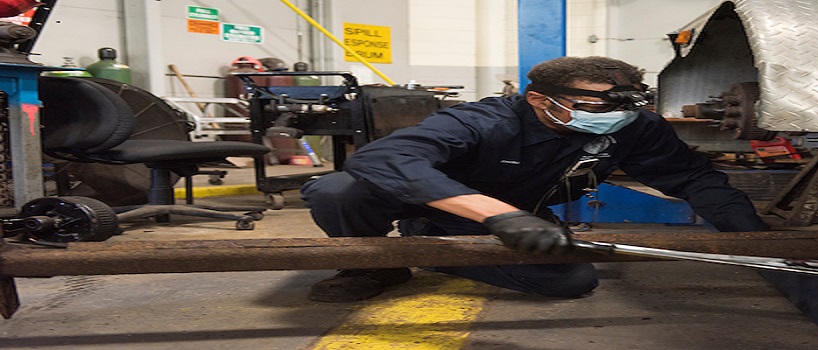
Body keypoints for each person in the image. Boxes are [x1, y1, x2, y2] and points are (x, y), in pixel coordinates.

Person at [300, 56, 768, 302]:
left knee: (570, 282)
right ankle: (372, 264)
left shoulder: (635, 126)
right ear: (539, 99)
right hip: (444, 204)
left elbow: (691, 176)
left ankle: (435, 246)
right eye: (600, 106)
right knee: (337, 189)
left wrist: (750, 236)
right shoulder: (483, 121)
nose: (618, 116)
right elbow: (386, 158)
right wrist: (498, 214)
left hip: (511, 220)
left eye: (628, 104)